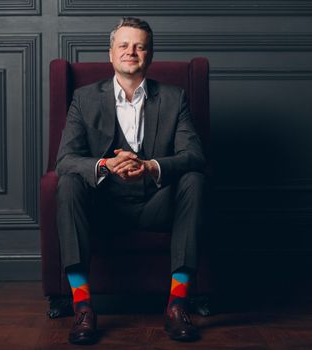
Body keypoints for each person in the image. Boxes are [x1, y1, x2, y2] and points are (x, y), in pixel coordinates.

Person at [55, 17, 205, 345]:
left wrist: (151, 166)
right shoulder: (84, 98)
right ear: (110, 54)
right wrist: (106, 165)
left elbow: (194, 155)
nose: (131, 52)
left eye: (139, 46)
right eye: (123, 45)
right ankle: (82, 306)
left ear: (149, 56)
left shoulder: (174, 97)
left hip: (156, 202)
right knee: (67, 181)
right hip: (103, 204)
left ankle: (177, 303)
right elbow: (65, 159)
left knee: (193, 178)